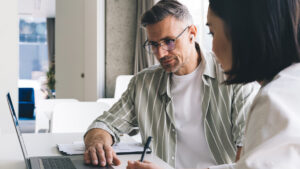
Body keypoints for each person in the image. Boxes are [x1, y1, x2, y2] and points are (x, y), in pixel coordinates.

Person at [84, 0, 258, 168]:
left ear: (192, 33)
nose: (160, 53)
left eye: (169, 41)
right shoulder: (143, 83)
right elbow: (105, 124)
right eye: (153, 44)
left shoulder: (235, 79)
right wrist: (98, 142)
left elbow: (248, 160)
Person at [127, 0, 300, 168]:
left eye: (212, 33)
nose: (213, 48)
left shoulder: (274, 101)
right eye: (154, 44)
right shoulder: (286, 87)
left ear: (243, 33)